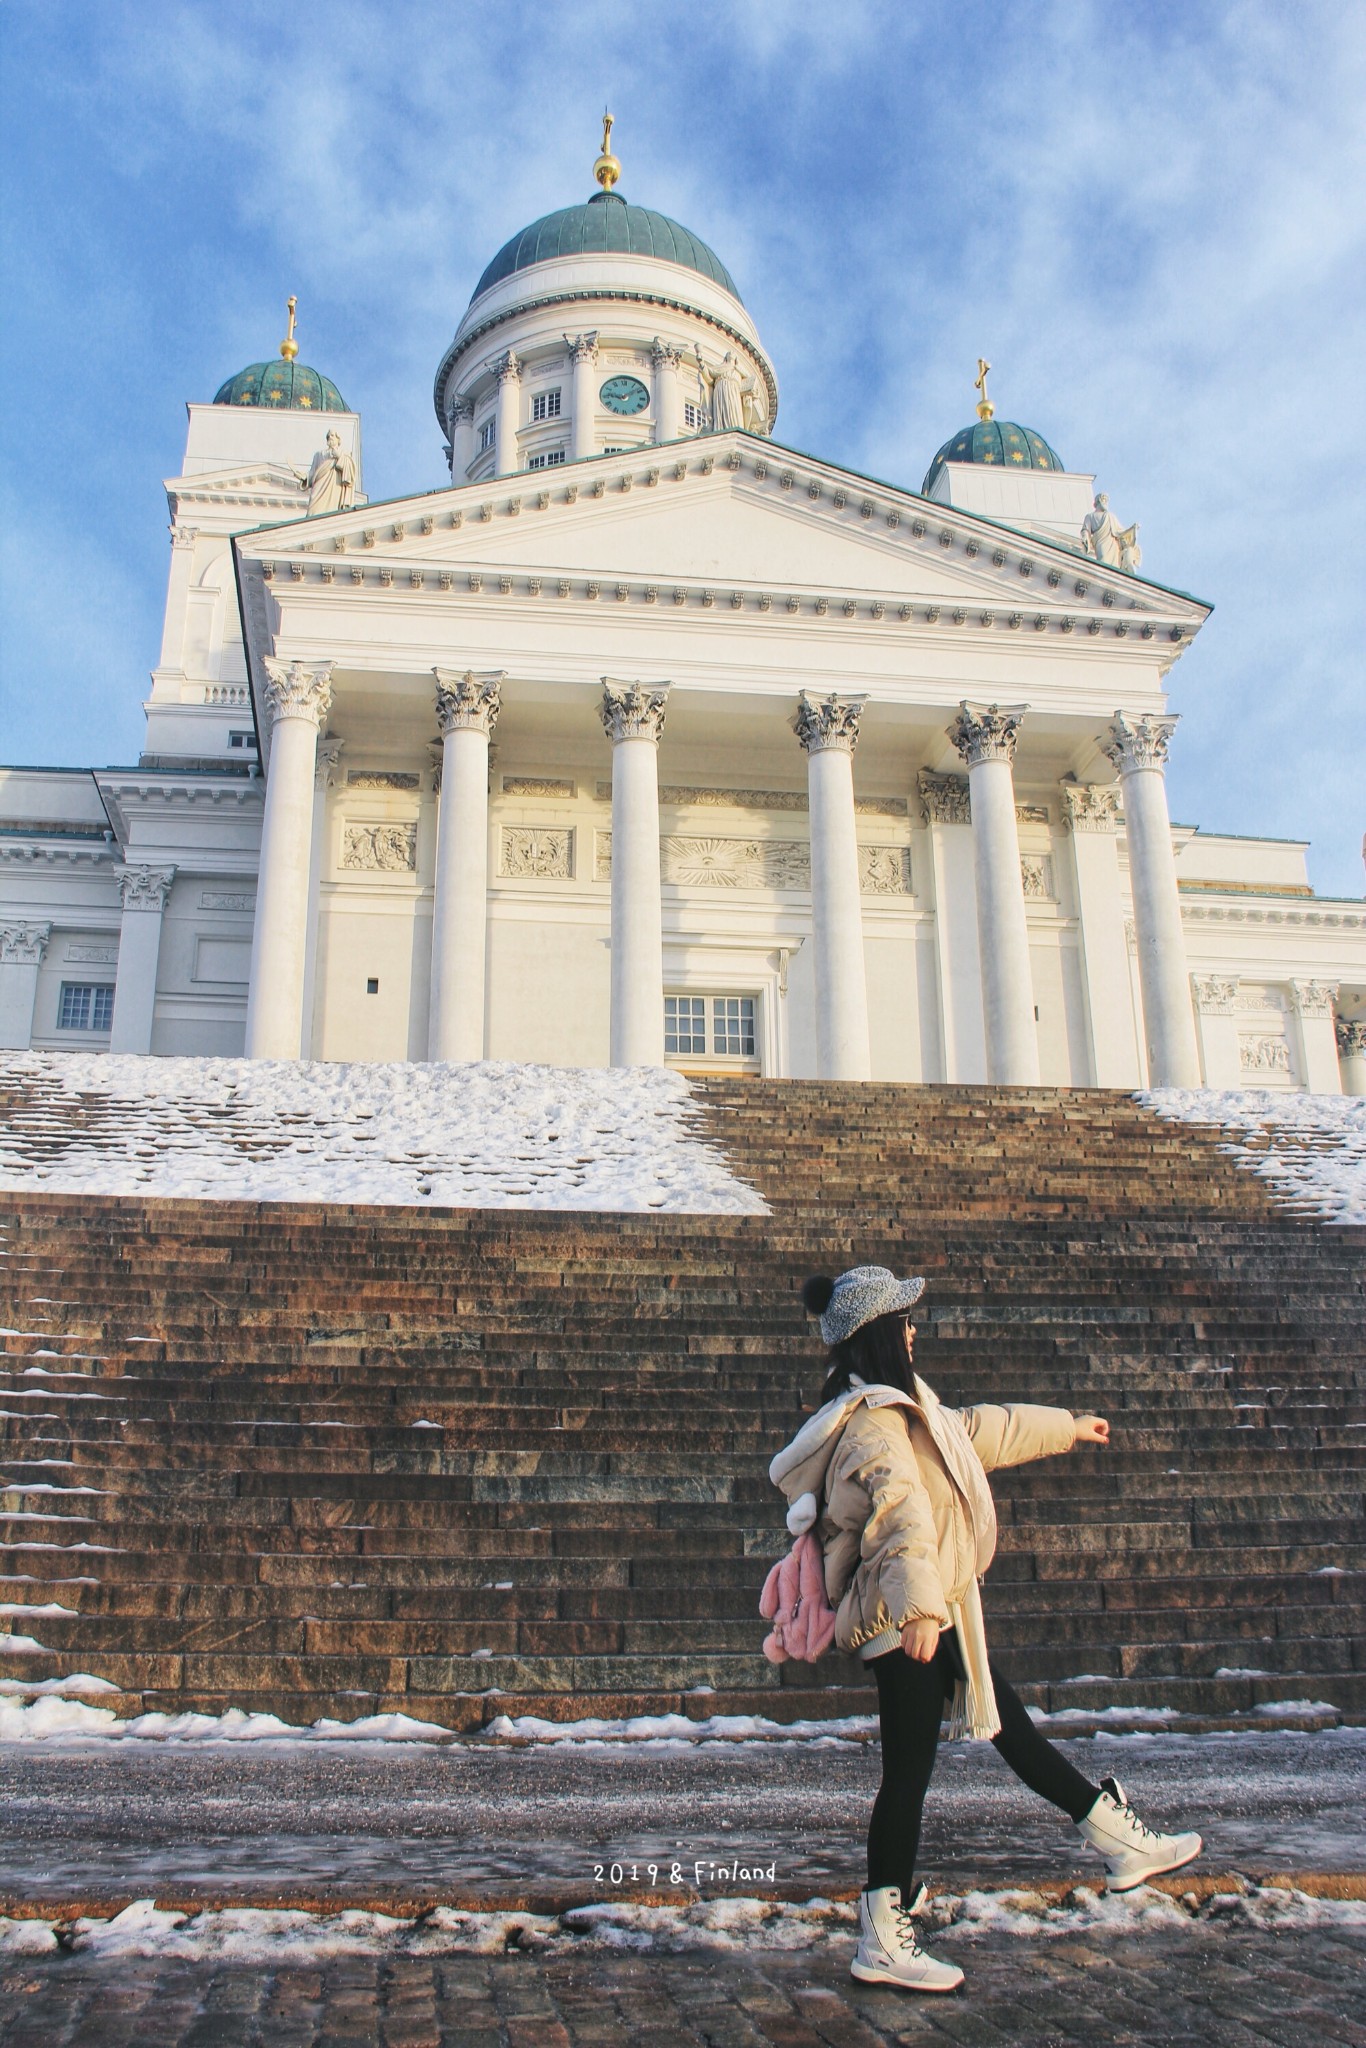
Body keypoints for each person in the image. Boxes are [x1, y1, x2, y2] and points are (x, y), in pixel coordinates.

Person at [768, 1264, 1202, 1994]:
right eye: (904, 1319)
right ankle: (883, 1934)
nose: (913, 1330)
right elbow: (900, 1519)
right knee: (908, 1777)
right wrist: (923, 1614)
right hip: (907, 1618)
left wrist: (1066, 1426)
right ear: (879, 1332)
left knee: (1009, 1728)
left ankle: (1114, 1839)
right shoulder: (874, 1425)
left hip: (929, 1612)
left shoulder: (910, 1410)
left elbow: (978, 1432)